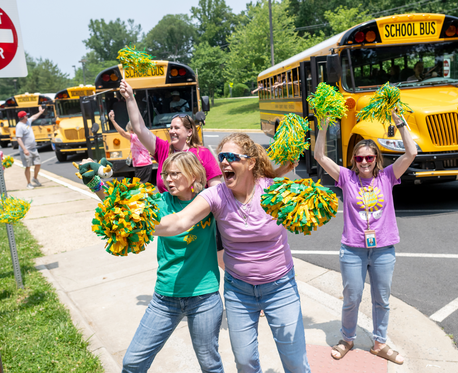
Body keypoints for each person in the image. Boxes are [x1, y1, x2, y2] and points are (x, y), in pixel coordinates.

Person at [154, 133, 308, 373]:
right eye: (221, 157)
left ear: (250, 163)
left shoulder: (275, 190)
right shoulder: (216, 195)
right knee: (245, 362)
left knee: (296, 363)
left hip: (280, 287)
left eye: (231, 157)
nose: (224, 162)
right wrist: (138, 225)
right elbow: (180, 221)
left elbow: (308, 211)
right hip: (239, 291)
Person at [84, 152, 224, 373]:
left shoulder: (208, 202)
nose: (168, 179)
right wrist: (97, 184)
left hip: (204, 298)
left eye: (175, 174)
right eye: (166, 174)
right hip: (165, 298)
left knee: (210, 365)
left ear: (193, 174)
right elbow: (125, 209)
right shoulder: (161, 201)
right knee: (132, 362)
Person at [314, 111, 417, 365]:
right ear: (354, 160)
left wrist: (400, 123)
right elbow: (319, 156)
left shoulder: (388, 176)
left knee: (382, 298)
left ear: (376, 158)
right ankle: (347, 339)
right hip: (352, 249)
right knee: (352, 296)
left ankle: (380, 343)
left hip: (383, 248)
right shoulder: (346, 178)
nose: (364, 162)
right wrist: (325, 123)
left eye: (369, 157)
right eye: (359, 158)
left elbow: (411, 153)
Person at [119, 79, 226, 267]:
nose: (171, 131)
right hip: (170, 223)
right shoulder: (162, 149)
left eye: (177, 128)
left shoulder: (203, 153)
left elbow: (217, 188)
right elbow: (139, 127)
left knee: (219, 264)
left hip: (202, 223)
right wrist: (130, 98)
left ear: (189, 132)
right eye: (170, 128)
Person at [108, 110, 153, 183]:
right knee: (141, 187)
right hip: (142, 165)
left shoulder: (136, 137)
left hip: (143, 165)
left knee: (139, 187)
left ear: (132, 130)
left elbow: (123, 133)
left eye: (129, 130)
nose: (128, 132)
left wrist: (113, 121)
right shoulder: (139, 136)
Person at [15, 108, 45, 189]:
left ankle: (35, 178)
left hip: (33, 148)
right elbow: (19, 139)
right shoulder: (19, 126)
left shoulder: (28, 122)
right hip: (26, 150)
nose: (27, 116)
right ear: (23, 117)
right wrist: (24, 149)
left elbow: (34, 117)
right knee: (28, 166)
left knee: (38, 164)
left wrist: (40, 112)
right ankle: (28, 183)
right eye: (26, 115)